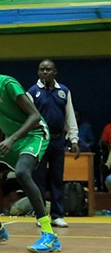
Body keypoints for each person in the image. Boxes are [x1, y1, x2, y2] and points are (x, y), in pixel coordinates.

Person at [0, 50, 60, 252]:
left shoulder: (8, 84)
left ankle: (49, 235)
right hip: (11, 139)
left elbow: (35, 116)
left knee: (21, 172)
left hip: (34, 134)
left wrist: (11, 139)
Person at [28, 60, 80, 228]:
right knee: (39, 179)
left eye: (48, 70)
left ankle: (57, 215)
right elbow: (27, 118)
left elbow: (69, 116)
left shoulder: (64, 91)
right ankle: (41, 215)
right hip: (39, 140)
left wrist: (74, 139)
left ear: (55, 72)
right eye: (42, 70)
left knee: (57, 178)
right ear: (38, 72)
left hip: (58, 140)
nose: (45, 72)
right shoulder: (32, 92)